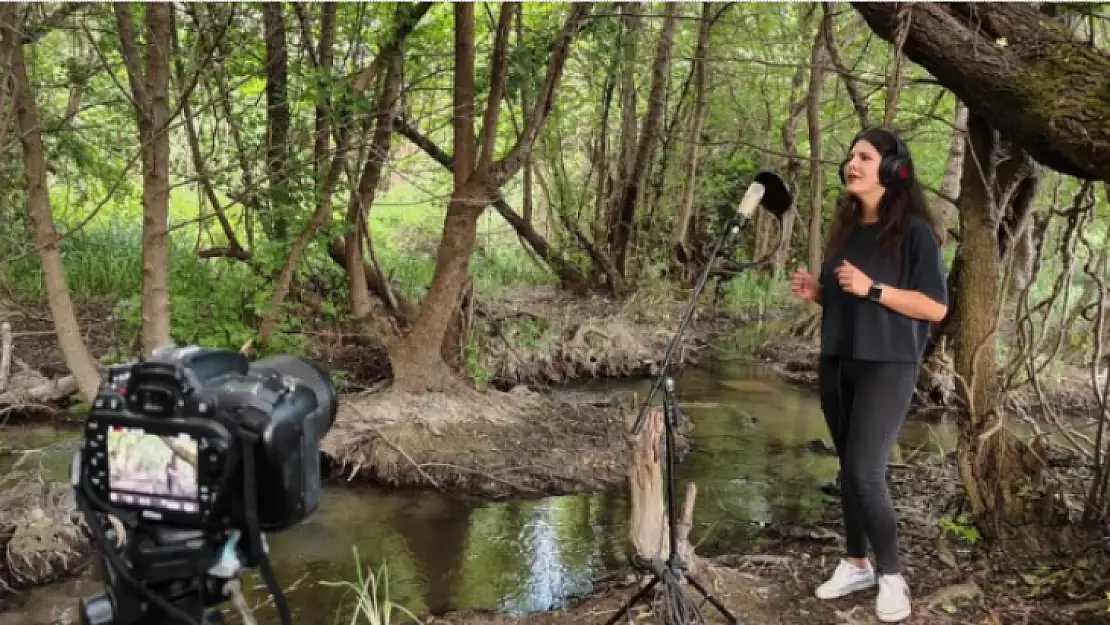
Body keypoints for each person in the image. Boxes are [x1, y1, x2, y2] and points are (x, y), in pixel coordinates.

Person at [789, 127, 948, 623]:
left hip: (888, 365)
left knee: (864, 471)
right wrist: (819, 292)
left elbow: (935, 307)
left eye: (864, 156)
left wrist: (872, 288)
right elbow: (847, 293)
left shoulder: (916, 233)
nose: (851, 164)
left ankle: (893, 577)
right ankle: (856, 562)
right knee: (847, 469)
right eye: (849, 156)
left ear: (893, 169)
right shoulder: (847, 225)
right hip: (838, 358)